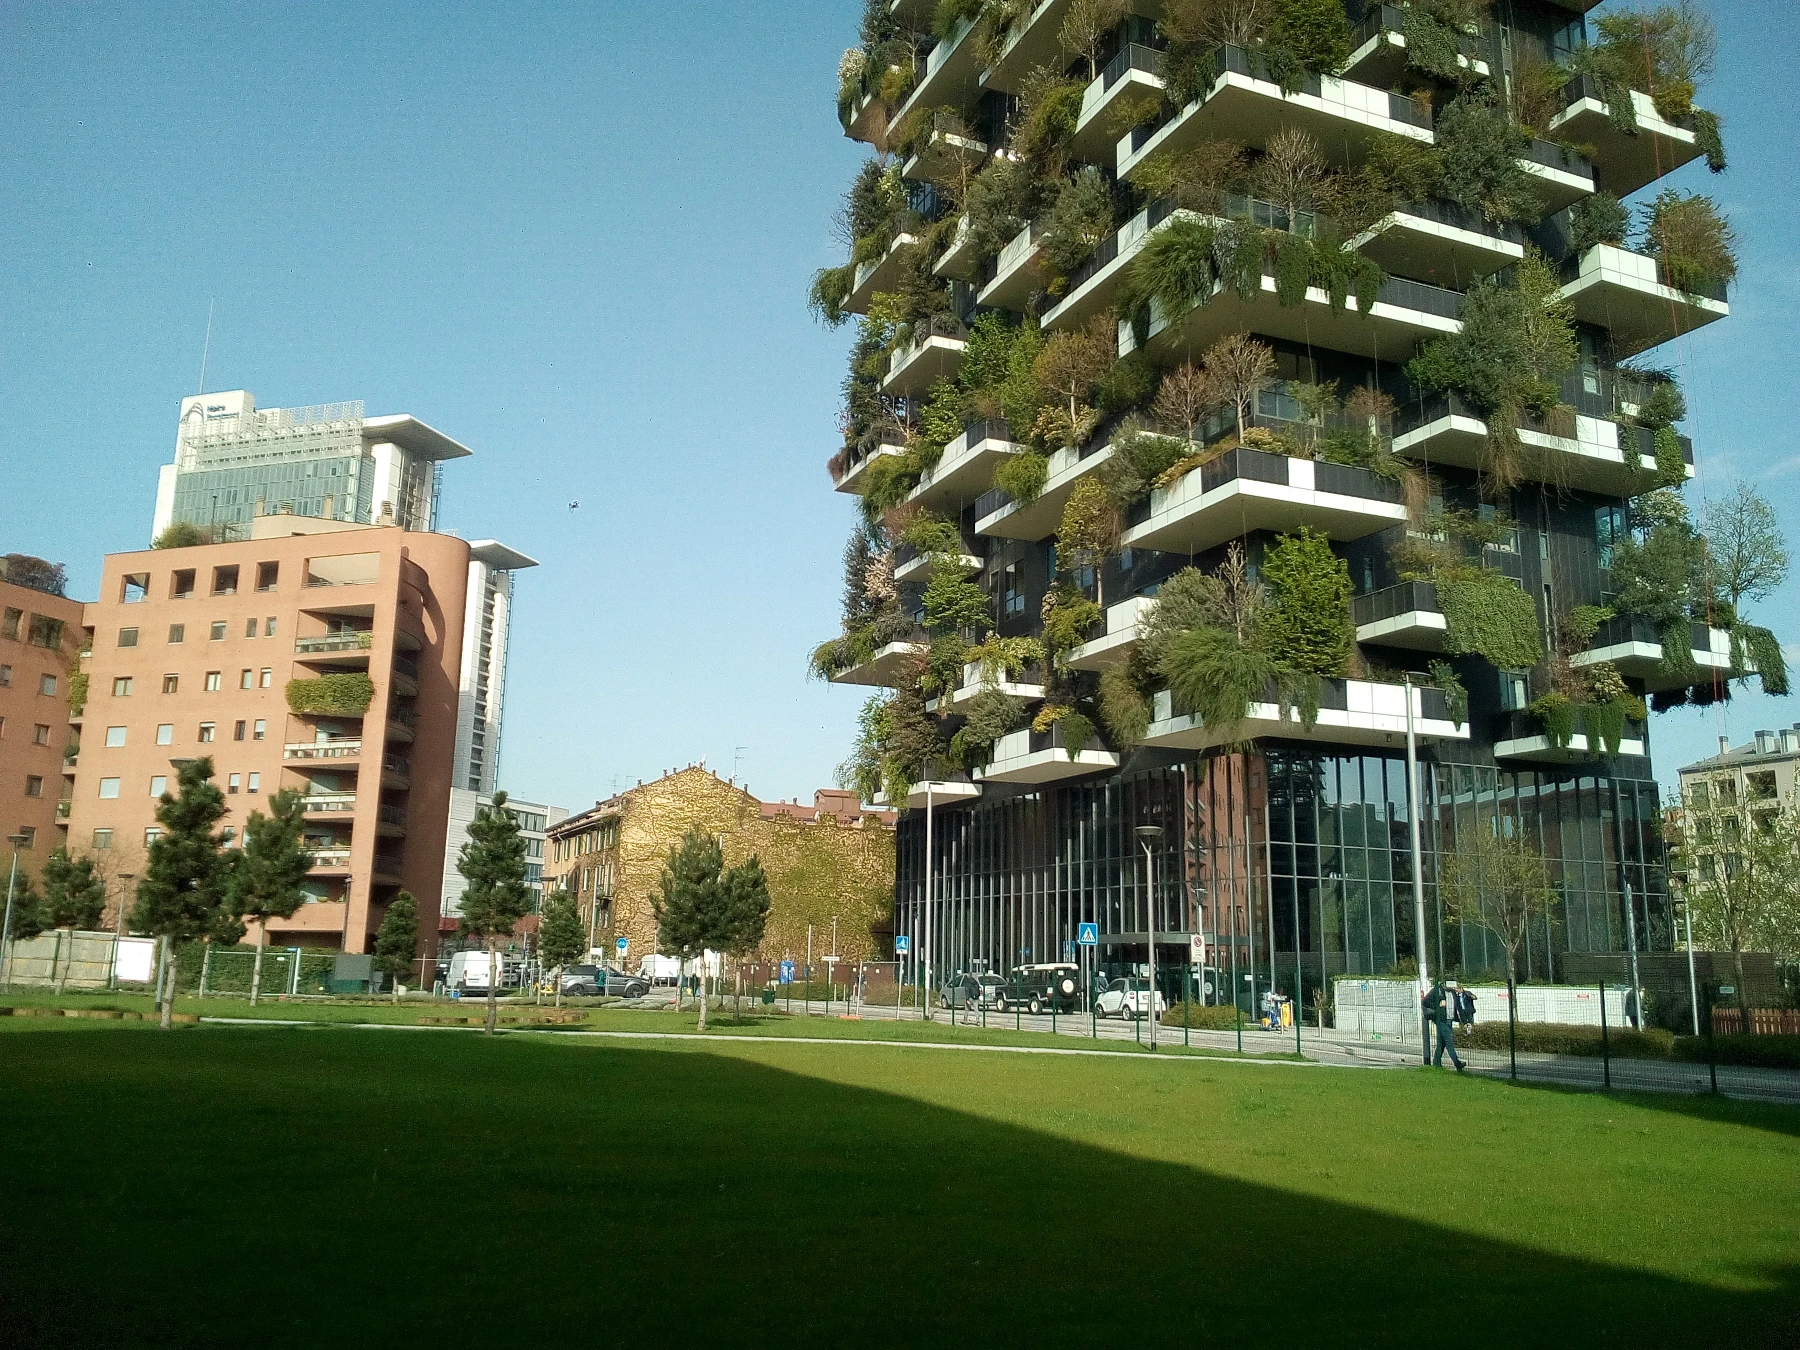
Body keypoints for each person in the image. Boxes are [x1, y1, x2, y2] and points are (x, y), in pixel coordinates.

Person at [1422, 978, 1466, 1072]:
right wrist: (1438, 1005)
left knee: (1442, 1043)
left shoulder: (1453, 992)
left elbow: (1458, 1006)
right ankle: (1457, 1064)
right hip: (1441, 1020)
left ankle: (1436, 1063)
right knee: (1449, 1041)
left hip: (1449, 1020)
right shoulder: (1437, 990)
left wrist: (1465, 1021)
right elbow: (1425, 1001)